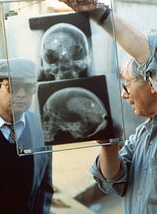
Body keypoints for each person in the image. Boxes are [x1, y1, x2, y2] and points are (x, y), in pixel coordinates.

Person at [60, 0, 157, 213]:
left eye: (127, 84)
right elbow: (115, 181)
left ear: (152, 81)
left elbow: (151, 55)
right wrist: (108, 146)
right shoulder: (142, 135)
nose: (123, 94)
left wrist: (98, 13)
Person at [0, 58, 53, 214]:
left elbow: (45, 186)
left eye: (28, 88)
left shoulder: (40, 128)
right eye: (13, 87)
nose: (21, 94)